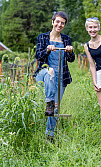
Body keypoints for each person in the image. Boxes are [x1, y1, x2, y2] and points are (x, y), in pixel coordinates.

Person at [35, 11, 75, 140]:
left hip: (61, 76)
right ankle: (49, 102)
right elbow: (38, 56)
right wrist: (47, 49)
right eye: (57, 21)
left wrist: (70, 51)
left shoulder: (66, 39)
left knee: (56, 108)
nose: (59, 25)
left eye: (62, 23)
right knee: (50, 72)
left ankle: (49, 135)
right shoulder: (43, 37)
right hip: (45, 74)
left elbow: (71, 59)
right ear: (52, 22)